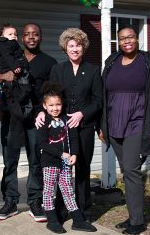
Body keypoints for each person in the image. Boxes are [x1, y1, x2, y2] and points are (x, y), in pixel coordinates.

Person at [99, 26, 150, 235]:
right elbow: (103, 96)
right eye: (121, 38)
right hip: (113, 124)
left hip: (137, 122)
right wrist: (102, 126)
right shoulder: (111, 62)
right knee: (128, 171)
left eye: (130, 37)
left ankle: (137, 221)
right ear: (118, 42)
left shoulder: (149, 63)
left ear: (137, 39)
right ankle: (133, 215)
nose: (126, 41)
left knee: (131, 170)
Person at [0, 22, 57, 222]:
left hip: (36, 118)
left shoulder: (49, 62)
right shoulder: (11, 55)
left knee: (35, 161)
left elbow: (51, 93)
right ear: (21, 38)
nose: (31, 37)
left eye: (35, 34)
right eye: (27, 34)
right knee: (9, 160)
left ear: (40, 37)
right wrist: (5, 76)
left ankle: (35, 200)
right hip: (11, 116)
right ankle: (10, 201)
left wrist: (46, 114)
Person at [36, 28, 102, 221]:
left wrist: (82, 113)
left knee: (82, 167)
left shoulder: (93, 70)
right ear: (65, 48)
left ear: (84, 47)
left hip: (84, 127)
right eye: (71, 45)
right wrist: (41, 111)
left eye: (78, 45)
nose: (75, 49)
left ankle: (83, 211)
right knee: (61, 168)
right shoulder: (58, 69)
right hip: (60, 128)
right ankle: (62, 210)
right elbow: (49, 95)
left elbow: (98, 100)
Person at [37, 82, 97, 234]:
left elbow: (74, 138)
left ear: (62, 104)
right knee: (49, 192)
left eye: (58, 104)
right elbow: (42, 144)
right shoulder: (44, 122)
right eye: (51, 105)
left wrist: (75, 154)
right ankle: (52, 221)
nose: (55, 108)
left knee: (68, 191)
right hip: (50, 163)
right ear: (44, 106)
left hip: (65, 164)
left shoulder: (66, 119)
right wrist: (59, 154)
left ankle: (78, 221)